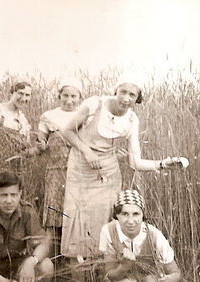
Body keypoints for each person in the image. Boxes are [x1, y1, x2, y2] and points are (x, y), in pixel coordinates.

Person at [60, 80, 188, 258]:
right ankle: (77, 267)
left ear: (137, 99)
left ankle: (101, 266)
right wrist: (87, 151)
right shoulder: (95, 104)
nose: (126, 98)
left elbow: (135, 162)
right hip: (81, 169)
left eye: (132, 95)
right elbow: (66, 131)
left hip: (108, 173)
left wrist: (162, 164)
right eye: (123, 92)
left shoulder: (131, 120)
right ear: (116, 90)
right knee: (79, 220)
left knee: (104, 220)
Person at [0, 171, 54, 282]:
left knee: (47, 266)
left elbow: (43, 245)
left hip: (17, 263)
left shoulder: (27, 211)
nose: (9, 201)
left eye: (13, 195)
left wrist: (30, 262)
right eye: (4, 195)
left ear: (20, 194)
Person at [36, 81, 81, 256]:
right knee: (54, 213)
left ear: (79, 98)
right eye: (65, 96)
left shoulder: (85, 115)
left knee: (76, 213)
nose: (69, 100)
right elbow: (41, 139)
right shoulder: (49, 116)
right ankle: (52, 260)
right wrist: (40, 144)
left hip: (78, 171)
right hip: (55, 171)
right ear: (59, 96)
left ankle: (73, 257)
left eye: (73, 96)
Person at [99, 189, 182, 282]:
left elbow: (176, 273)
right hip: (121, 278)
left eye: (136, 214)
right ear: (116, 215)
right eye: (125, 214)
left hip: (149, 277)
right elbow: (111, 275)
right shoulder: (109, 231)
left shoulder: (154, 235)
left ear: (143, 215)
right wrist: (124, 266)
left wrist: (169, 278)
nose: (130, 221)